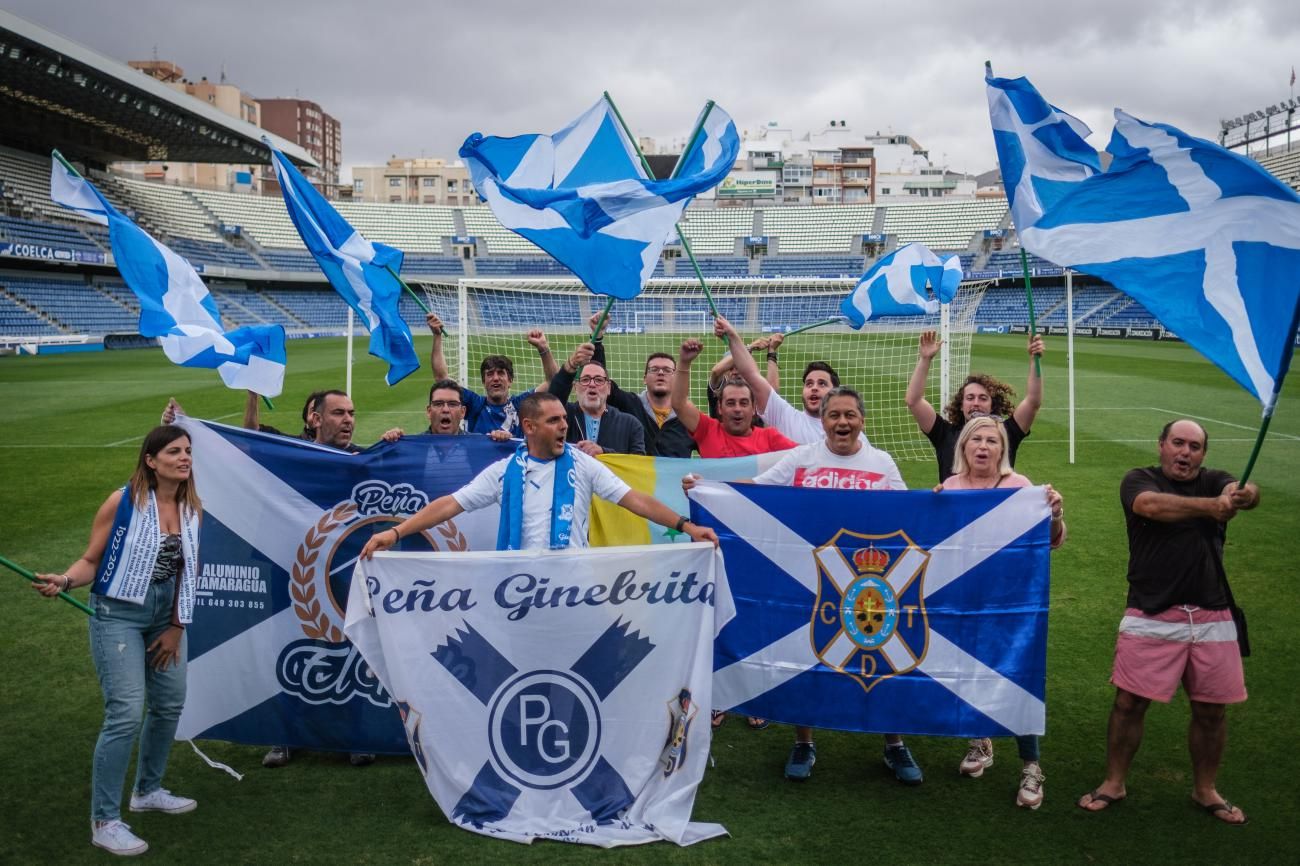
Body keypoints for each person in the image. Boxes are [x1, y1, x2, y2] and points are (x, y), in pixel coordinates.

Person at [686, 388, 920, 783]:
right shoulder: (802, 458)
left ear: (862, 419)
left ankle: (894, 744)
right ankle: (803, 741)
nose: (842, 423)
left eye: (850, 415)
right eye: (834, 416)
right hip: (810, 578)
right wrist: (708, 489)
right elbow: (756, 489)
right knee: (805, 653)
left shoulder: (881, 462)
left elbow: (908, 515)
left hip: (867, 581)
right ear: (823, 420)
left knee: (879, 658)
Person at [1078, 419, 1259, 825]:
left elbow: (1242, 492)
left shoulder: (1215, 480)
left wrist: (1243, 495)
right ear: (1161, 445)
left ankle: (1205, 789)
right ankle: (1114, 782)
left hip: (1213, 613)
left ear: (1204, 454)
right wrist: (1213, 507)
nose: (1185, 452)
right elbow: (1150, 506)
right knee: (1129, 703)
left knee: (1212, 710)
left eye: (1194, 446)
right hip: (1151, 610)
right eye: (1178, 443)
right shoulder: (1139, 479)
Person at [34, 426, 201, 856]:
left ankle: (147, 790)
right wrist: (67, 580)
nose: (184, 458)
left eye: (188, 451)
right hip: (119, 614)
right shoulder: (122, 501)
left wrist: (176, 626)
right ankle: (104, 820)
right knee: (125, 713)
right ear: (151, 460)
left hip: (167, 616)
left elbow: (188, 573)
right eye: (174, 451)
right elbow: (92, 560)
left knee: (170, 703)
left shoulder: (191, 507)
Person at [359, 392, 717, 559]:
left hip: (572, 587)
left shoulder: (582, 464)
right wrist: (395, 532)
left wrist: (687, 527)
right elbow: (450, 505)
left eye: (564, 418)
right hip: (517, 586)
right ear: (528, 427)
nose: (565, 425)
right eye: (554, 421)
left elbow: (635, 499)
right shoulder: (503, 472)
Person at [935, 416, 1065, 809]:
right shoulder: (950, 487)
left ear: (1001, 449)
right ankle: (981, 742)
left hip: (1010, 603)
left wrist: (1055, 514)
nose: (983, 447)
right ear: (964, 446)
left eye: (992, 440)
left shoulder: (1019, 487)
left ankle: (1031, 765)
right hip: (963, 602)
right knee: (969, 672)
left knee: (1016, 678)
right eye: (976, 439)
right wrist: (931, 508)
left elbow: (1052, 542)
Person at [905, 330, 1045, 482]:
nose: (976, 403)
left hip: (996, 506)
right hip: (956, 506)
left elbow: (1033, 401)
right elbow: (914, 401)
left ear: (992, 405)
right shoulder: (944, 434)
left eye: (983, 398)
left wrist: (1034, 360)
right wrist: (925, 359)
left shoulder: (1006, 433)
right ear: (961, 405)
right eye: (970, 398)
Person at [553, 314, 695, 457]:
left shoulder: (689, 418)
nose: (660, 373)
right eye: (654, 369)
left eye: (667, 370)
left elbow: (715, 444)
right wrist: (597, 339)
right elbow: (600, 377)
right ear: (644, 378)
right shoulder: (631, 404)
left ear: (677, 379)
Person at [712, 315, 854, 445]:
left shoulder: (853, 436)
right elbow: (751, 374)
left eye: (822, 383)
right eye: (809, 384)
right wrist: (732, 336)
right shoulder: (787, 418)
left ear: (835, 392)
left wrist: (772, 351)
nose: (814, 388)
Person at [427, 312, 558, 437]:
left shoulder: (521, 404)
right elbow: (441, 379)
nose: (495, 378)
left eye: (501, 373)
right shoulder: (475, 404)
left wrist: (543, 347)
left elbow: (554, 382)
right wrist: (437, 336)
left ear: (510, 380)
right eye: (489, 374)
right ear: (483, 381)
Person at [671, 337, 797, 458]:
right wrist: (684, 363)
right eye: (730, 403)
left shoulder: (770, 438)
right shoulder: (708, 430)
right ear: (719, 407)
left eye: (744, 403)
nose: (737, 409)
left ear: (754, 407)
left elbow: (806, 456)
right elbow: (679, 404)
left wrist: (771, 352)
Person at [546, 352, 645, 455]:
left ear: (609, 388)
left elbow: (637, 463)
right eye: (585, 380)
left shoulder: (630, 424)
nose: (592, 384)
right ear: (575, 387)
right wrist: (570, 365)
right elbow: (552, 399)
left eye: (599, 380)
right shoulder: (564, 415)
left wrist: (604, 452)